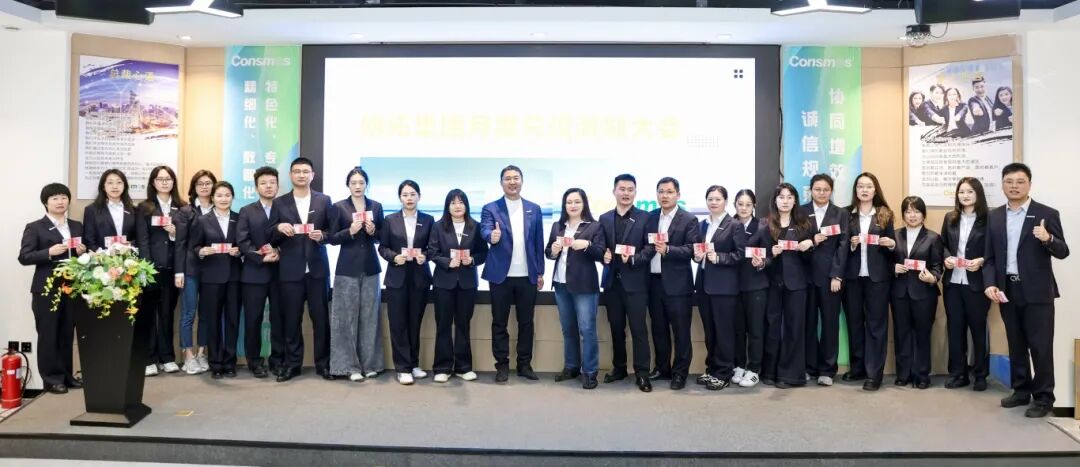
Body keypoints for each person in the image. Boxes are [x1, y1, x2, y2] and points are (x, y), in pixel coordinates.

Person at [984, 162, 1069, 418]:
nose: (1014, 186)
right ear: (1002, 185)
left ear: (1029, 184)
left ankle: (1043, 398)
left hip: (1037, 292)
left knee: (1040, 346)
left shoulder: (1046, 213)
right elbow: (989, 257)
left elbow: (1063, 251)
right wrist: (990, 283)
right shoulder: (994, 216)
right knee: (1016, 343)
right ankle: (1021, 391)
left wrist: (1048, 238)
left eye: (1020, 181)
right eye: (1009, 182)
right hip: (1007, 289)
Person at [268, 157, 335, 382]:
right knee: (291, 320)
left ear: (312, 175)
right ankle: (292, 364)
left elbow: (333, 233)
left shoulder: (324, 200)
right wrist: (278, 228)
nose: (301, 175)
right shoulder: (280, 203)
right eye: (297, 171)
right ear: (290, 175)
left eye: (306, 171)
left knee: (321, 320)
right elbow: (270, 235)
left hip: (317, 270)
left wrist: (322, 235)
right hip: (290, 269)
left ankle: (324, 364)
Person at [18, 183, 86, 394]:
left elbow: (82, 255)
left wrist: (82, 251)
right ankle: (51, 379)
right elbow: (24, 257)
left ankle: (67, 376)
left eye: (64, 197)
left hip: (71, 287)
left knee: (66, 333)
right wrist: (49, 252)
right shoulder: (35, 227)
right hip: (46, 289)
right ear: (45, 202)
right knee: (49, 334)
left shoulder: (76, 226)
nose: (60, 202)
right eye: (55, 198)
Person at [480, 165, 545, 383]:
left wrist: (540, 272)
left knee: (526, 322)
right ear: (501, 183)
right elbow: (485, 230)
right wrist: (491, 236)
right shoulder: (491, 208)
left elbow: (538, 242)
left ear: (522, 181)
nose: (512, 182)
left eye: (516, 178)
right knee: (499, 322)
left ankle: (524, 364)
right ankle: (502, 365)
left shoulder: (534, 209)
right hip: (500, 276)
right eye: (507, 178)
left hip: (527, 276)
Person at [643, 177, 701, 390]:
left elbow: (692, 249)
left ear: (678, 195)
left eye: (669, 192)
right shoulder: (650, 217)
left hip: (678, 286)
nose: (664, 196)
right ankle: (662, 368)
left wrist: (668, 250)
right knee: (658, 329)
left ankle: (680, 373)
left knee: (681, 332)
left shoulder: (689, 220)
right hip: (653, 283)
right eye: (661, 192)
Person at [327, 166, 385, 382]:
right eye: (354, 183)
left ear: (366, 184)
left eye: (361, 182)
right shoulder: (339, 207)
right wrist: (349, 231)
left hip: (371, 267)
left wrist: (373, 231)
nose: (358, 186)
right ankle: (348, 367)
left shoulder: (376, 206)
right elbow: (332, 238)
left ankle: (370, 365)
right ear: (348, 185)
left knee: (370, 318)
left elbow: (382, 237)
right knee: (345, 319)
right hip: (346, 268)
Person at [547, 188, 606, 389]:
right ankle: (571, 366)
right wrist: (553, 250)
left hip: (584, 285)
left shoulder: (594, 226)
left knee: (587, 329)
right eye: (569, 202)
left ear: (584, 204)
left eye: (577, 202)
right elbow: (548, 253)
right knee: (568, 328)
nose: (572, 205)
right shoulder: (557, 226)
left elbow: (601, 253)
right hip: (560, 283)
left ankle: (589, 371)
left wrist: (587, 245)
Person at [598, 174, 652, 392]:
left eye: (630, 189)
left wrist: (634, 259)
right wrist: (603, 255)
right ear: (614, 191)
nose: (626, 193)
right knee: (616, 328)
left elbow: (650, 248)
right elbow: (600, 246)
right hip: (612, 283)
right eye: (622, 189)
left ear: (635, 193)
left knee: (639, 330)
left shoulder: (646, 217)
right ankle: (619, 368)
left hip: (636, 283)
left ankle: (642, 373)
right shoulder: (604, 218)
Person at [427, 189, 488, 383]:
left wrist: (472, 260)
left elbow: (483, 253)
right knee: (443, 325)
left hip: (467, 283)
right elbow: (432, 252)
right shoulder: (438, 227)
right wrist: (447, 262)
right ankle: (442, 367)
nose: (457, 206)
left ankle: (463, 367)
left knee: (463, 324)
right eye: (453, 203)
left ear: (466, 205)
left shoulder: (475, 227)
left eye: (461, 202)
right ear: (447, 206)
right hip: (443, 283)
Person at [843, 172, 897, 391]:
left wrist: (890, 244)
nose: (864, 190)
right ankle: (858, 368)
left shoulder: (885, 214)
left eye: (868, 186)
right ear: (855, 190)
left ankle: (874, 374)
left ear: (875, 190)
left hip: (878, 278)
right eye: (860, 186)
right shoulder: (847, 214)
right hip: (853, 277)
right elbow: (840, 247)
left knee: (876, 325)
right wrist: (851, 244)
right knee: (854, 323)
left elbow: (894, 248)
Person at [379, 180, 434, 386]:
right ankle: (402, 368)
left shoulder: (428, 220)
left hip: (420, 277)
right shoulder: (390, 220)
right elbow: (382, 247)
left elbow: (433, 248)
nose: (409, 198)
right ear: (400, 198)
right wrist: (394, 257)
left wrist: (425, 256)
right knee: (398, 323)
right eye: (405, 195)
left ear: (419, 196)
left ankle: (413, 364)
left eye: (412, 194)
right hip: (397, 277)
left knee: (414, 322)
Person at [761, 183, 814, 389]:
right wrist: (770, 254)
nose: (785, 201)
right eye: (781, 197)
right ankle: (770, 371)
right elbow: (758, 253)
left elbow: (811, 259)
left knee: (794, 328)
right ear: (775, 200)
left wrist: (808, 246)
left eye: (789, 197)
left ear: (795, 201)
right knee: (772, 327)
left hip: (797, 283)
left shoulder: (804, 224)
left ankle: (791, 375)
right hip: (772, 283)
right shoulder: (765, 224)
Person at [940, 177, 991, 391]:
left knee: (978, 329)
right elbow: (943, 244)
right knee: (955, 328)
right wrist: (946, 258)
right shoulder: (950, 217)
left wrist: (982, 260)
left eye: (970, 191)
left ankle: (980, 374)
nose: (965, 195)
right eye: (961, 192)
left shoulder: (988, 219)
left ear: (978, 194)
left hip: (977, 283)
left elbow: (995, 249)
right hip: (953, 283)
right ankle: (958, 373)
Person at [189, 181, 242, 379]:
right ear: (212, 198)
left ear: (232, 197)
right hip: (211, 277)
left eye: (227, 195)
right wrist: (202, 251)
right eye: (219, 195)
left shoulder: (239, 218)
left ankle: (230, 362)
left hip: (234, 277)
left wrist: (239, 251)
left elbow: (244, 244)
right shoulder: (202, 220)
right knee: (212, 320)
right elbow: (194, 247)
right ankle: (216, 363)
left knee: (233, 320)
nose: (223, 199)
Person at [692, 185, 743, 391]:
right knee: (710, 331)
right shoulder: (702, 225)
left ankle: (723, 373)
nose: (713, 202)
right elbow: (697, 251)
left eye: (718, 199)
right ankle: (712, 368)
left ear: (726, 202)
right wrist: (697, 257)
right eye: (710, 199)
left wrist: (719, 258)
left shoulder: (734, 225)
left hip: (724, 287)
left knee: (724, 332)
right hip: (704, 284)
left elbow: (740, 255)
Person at [800, 174, 850, 387]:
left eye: (826, 189)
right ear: (811, 190)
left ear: (831, 191)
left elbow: (843, 245)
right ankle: (809, 367)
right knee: (808, 323)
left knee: (830, 324)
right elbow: (795, 240)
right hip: (805, 277)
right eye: (817, 189)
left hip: (831, 278)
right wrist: (811, 241)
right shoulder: (801, 212)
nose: (821, 193)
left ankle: (827, 369)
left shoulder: (840, 214)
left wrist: (837, 275)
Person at [135, 166, 184, 376]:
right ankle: (149, 359)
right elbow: (142, 240)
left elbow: (185, 241)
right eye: (160, 179)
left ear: (173, 182)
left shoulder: (182, 208)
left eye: (168, 179)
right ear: (153, 182)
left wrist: (175, 233)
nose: (164, 182)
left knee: (166, 314)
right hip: (150, 269)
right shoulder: (144, 208)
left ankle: (167, 357)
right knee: (148, 314)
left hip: (172, 269)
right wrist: (145, 269)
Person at [891, 196, 944, 390]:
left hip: (924, 293)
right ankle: (903, 374)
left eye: (916, 211)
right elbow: (885, 261)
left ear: (923, 215)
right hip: (899, 292)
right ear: (903, 214)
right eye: (908, 211)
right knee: (901, 333)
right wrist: (893, 268)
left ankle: (922, 375)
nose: (912, 215)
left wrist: (933, 277)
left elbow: (937, 266)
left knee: (922, 334)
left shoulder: (933, 237)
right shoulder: (894, 236)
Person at [236, 166, 283, 378]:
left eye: (272, 182)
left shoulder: (284, 208)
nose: (268, 186)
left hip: (280, 273)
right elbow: (242, 241)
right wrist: (261, 257)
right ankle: (254, 362)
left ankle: (277, 360)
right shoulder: (247, 211)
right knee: (253, 320)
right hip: (254, 273)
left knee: (279, 318)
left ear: (278, 185)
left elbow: (290, 238)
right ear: (256, 187)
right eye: (263, 183)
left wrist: (279, 251)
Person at [174, 170, 216, 375]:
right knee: (188, 313)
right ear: (194, 188)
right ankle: (188, 355)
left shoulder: (220, 208)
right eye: (200, 183)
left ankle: (201, 353)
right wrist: (178, 272)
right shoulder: (185, 211)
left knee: (206, 313)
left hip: (212, 270)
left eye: (208, 183)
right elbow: (180, 243)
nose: (204, 187)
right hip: (190, 269)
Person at [734, 189, 768, 388]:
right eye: (740, 204)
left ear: (754, 206)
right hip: (733, 286)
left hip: (756, 285)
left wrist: (762, 262)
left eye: (748, 204)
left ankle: (754, 368)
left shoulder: (762, 227)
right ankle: (739, 365)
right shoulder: (729, 225)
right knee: (738, 330)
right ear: (735, 205)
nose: (744, 208)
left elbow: (770, 256)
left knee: (755, 329)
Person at [82, 169, 136, 253]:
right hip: (102, 258)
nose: (115, 186)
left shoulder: (134, 210)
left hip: (129, 257)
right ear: (103, 187)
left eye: (119, 182)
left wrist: (130, 245)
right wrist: (102, 256)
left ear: (124, 186)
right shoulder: (92, 210)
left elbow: (140, 237)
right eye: (110, 182)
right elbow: (89, 240)